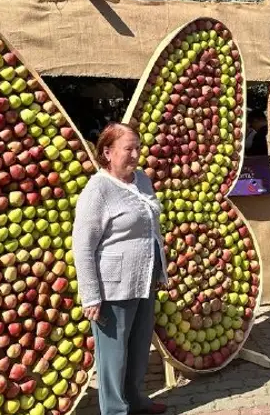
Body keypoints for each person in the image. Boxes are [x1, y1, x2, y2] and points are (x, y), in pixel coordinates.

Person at [72, 123, 167, 415]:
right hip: (113, 286)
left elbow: (152, 229)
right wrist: (90, 295)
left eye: (138, 147)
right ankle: (115, 410)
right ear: (108, 152)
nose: (136, 154)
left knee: (139, 347)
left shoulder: (141, 180)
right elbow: (83, 244)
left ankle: (135, 399)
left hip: (144, 279)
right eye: (129, 149)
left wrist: (160, 270)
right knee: (113, 356)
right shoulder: (98, 189)